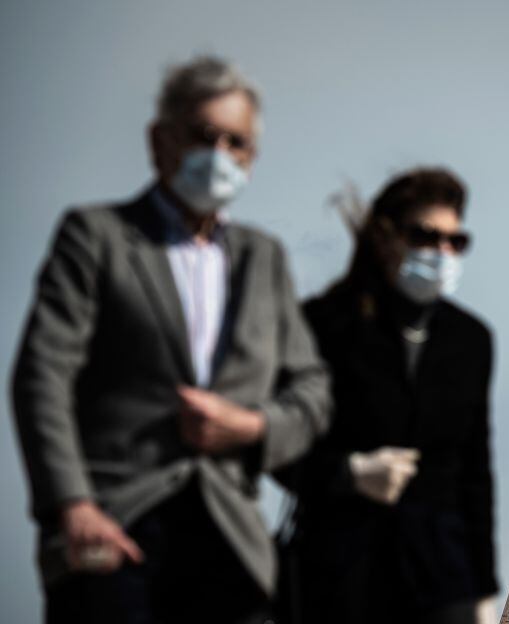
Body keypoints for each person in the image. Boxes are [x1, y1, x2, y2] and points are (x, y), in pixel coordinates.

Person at [10, 56, 330, 623]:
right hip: (115, 532)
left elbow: (311, 391)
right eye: (206, 136)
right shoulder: (98, 237)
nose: (221, 155)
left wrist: (251, 426)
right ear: (160, 140)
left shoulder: (264, 258)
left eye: (238, 143)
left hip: (230, 548)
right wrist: (73, 506)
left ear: (252, 159)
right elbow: (43, 374)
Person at [285, 169, 497, 623]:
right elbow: (275, 446)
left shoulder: (470, 340)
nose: (441, 252)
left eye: (454, 242)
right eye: (426, 237)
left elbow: (474, 474)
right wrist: (350, 473)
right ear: (385, 238)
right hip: (343, 578)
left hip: (442, 583)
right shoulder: (324, 325)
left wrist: (483, 593)